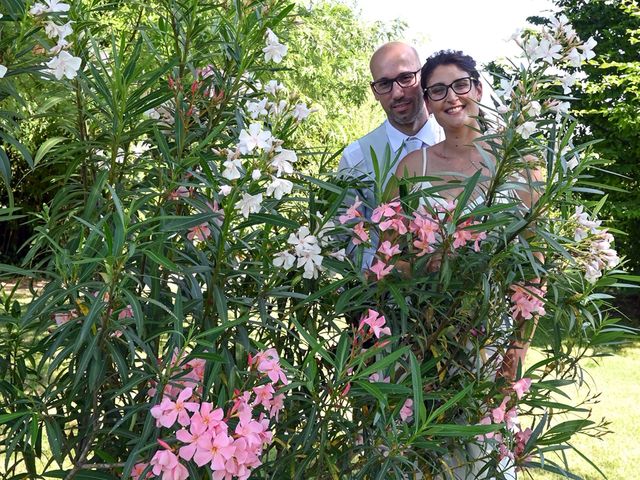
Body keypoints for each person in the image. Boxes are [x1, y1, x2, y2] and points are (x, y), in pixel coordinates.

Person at [395, 50, 542, 480]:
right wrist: (428, 263)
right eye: (436, 90)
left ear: (477, 88)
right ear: (427, 101)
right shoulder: (412, 167)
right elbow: (392, 257)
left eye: (460, 84)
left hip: (491, 334)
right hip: (424, 332)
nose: (451, 97)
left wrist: (516, 352)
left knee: (483, 457)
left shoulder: (521, 163)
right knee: (423, 455)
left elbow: (536, 265)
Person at [338, 41, 443, 267]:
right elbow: (344, 237)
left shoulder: (453, 141)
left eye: (406, 78)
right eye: (384, 84)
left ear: (423, 77)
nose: (397, 93)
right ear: (375, 91)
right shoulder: (355, 158)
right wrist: (384, 270)